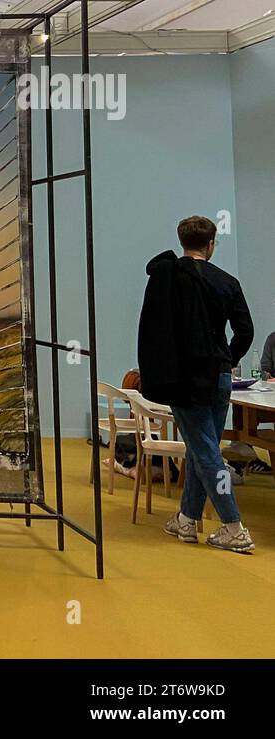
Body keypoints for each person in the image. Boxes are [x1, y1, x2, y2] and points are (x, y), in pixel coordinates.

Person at [137, 216, 255, 552]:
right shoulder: (226, 281)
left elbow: (155, 330)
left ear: (182, 241)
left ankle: (234, 527)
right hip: (219, 376)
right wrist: (227, 359)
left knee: (205, 452)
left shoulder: (168, 278)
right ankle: (187, 519)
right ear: (211, 243)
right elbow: (245, 331)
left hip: (184, 377)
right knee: (201, 449)